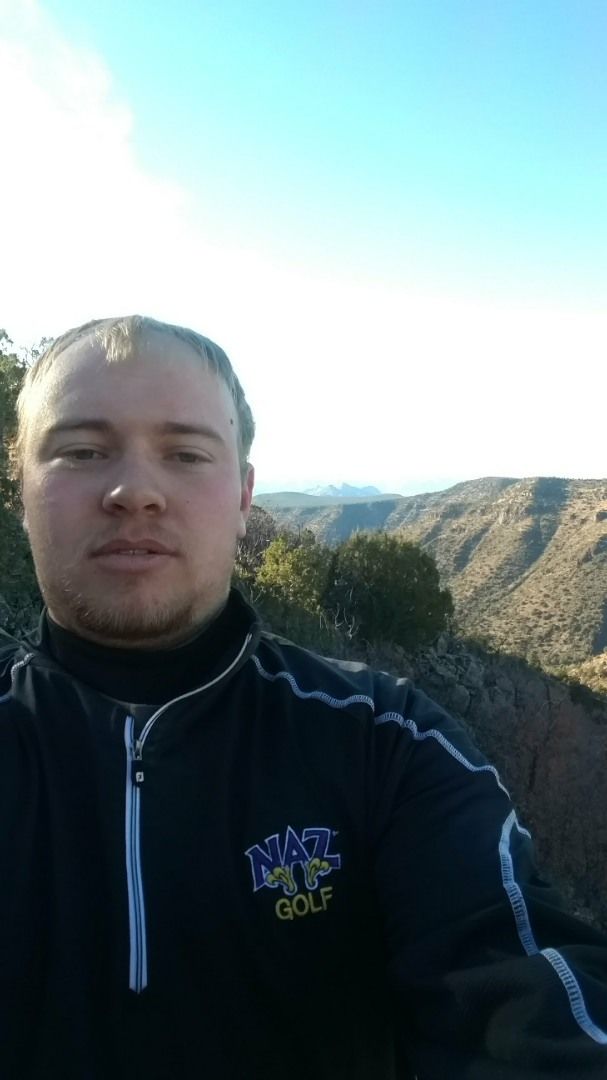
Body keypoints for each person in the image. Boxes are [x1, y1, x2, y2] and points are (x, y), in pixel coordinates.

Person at [1, 314, 606, 1080]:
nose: (135, 492)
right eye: (83, 451)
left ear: (243, 496)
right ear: (20, 488)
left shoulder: (386, 742)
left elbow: (521, 990)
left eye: (185, 454)